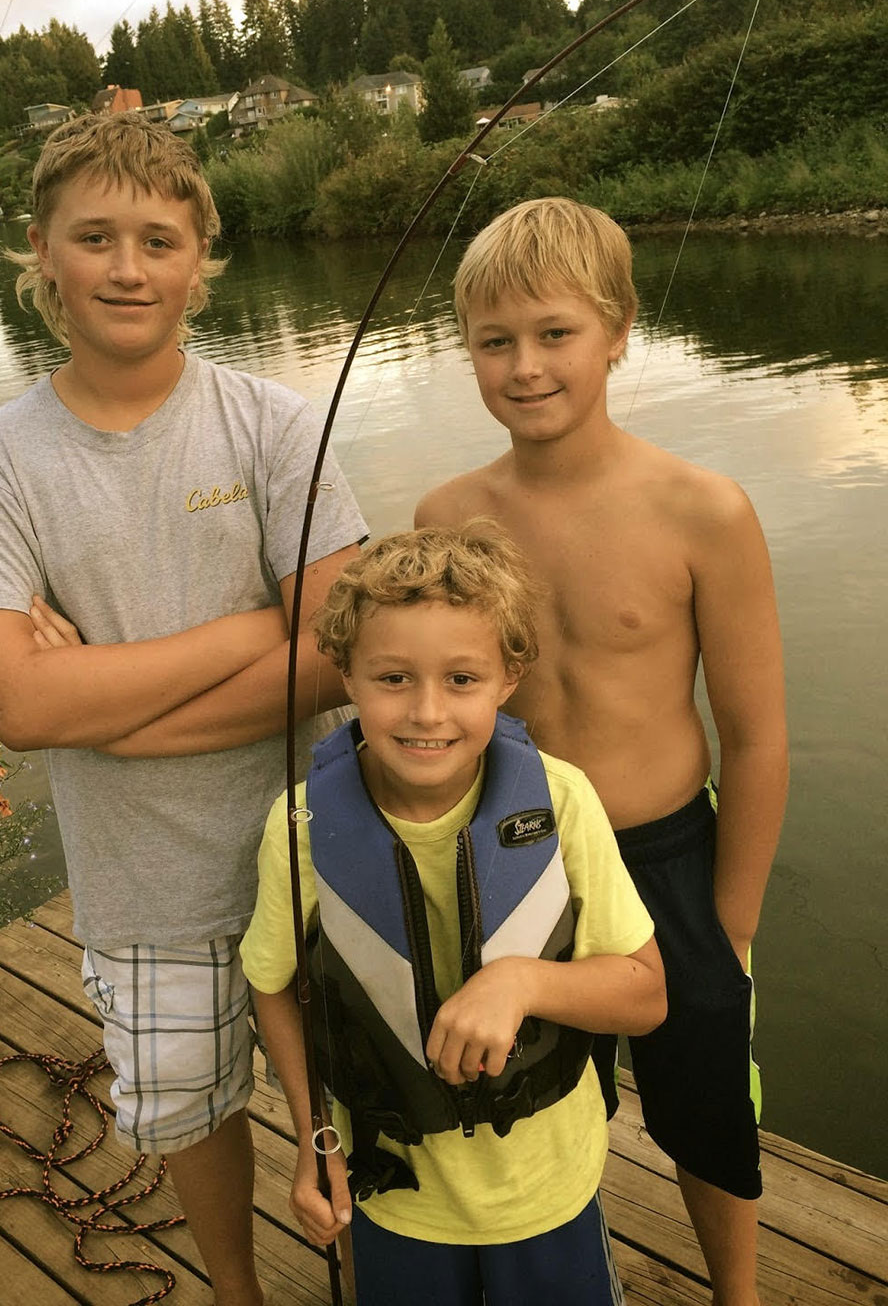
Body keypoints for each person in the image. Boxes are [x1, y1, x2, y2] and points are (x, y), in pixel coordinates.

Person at [0, 111, 367, 1306]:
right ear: (41, 252)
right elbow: (19, 706)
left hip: (319, 855)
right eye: (96, 237)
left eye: (160, 240)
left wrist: (106, 702)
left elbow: (346, 655)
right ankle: (237, 1293)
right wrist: (253, 627)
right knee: (189, 1111)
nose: (129, 268)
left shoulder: (274, 424)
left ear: (200, 258)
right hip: (140, 881)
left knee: (360, 1091)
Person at [416, 198, 788, 1306]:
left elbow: (758, 736)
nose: (525, 367)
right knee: (525, 1094)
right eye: (495, 342)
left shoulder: (703, 511)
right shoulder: (449, 515)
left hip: (669, 856)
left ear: (620, 330)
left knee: (706, 1096)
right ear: (469, 352)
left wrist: (733, 923)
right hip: (522, 859)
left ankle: (740, 1290)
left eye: (554, 333)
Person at [241, 525, 666, 1306]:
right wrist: (313, 1138)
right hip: (397, 1195)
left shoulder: (563, 800)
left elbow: (644, 993)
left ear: (510, 677)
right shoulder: (298, 826)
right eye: (393, 678)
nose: (427, 712)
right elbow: (272, 988)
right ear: (346, 676)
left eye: (462, 679)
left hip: (547, 1191)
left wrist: (520, 982)